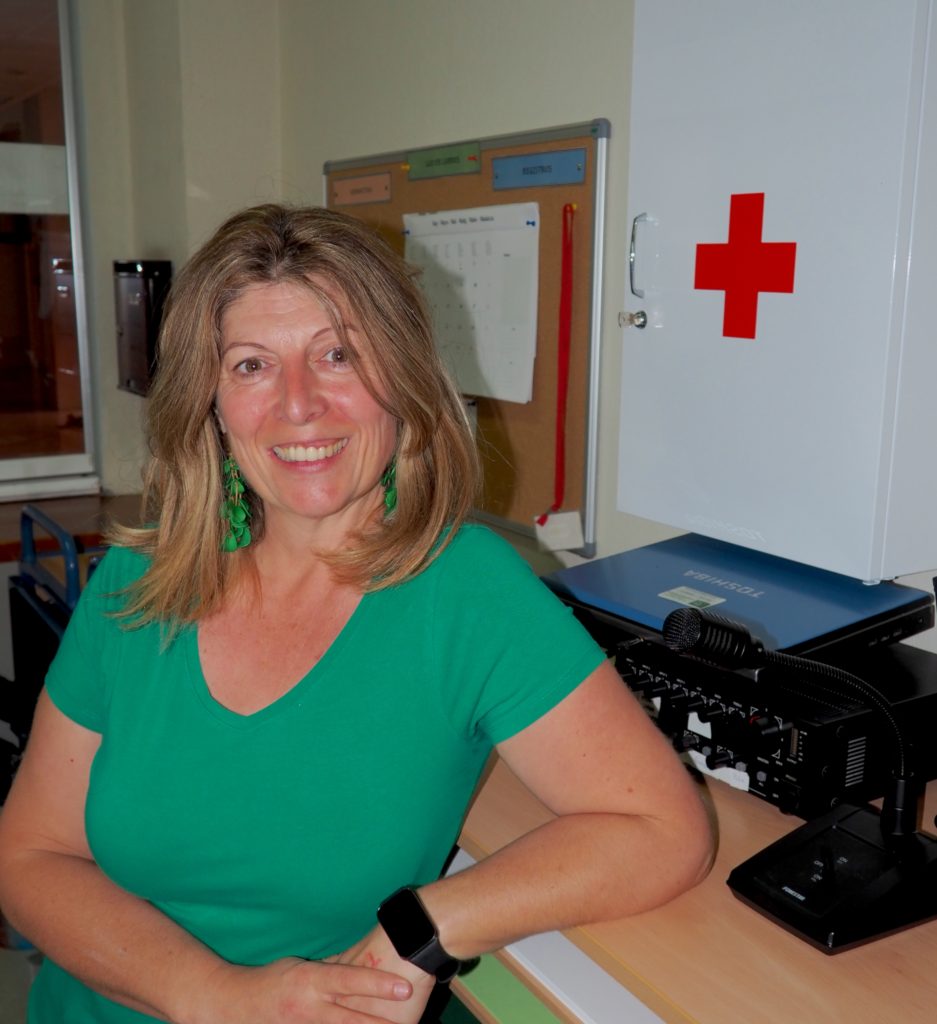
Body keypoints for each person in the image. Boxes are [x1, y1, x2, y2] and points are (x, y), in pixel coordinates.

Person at [0, 204, 713, 1024]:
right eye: (251, 366)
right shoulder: (139, 581)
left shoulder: (464, 589)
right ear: (210, 404)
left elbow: (660, 828)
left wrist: (427, 927)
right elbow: (29, 856)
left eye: (337, 354)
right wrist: (213, 996)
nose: (299, 404)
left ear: (400, 379)